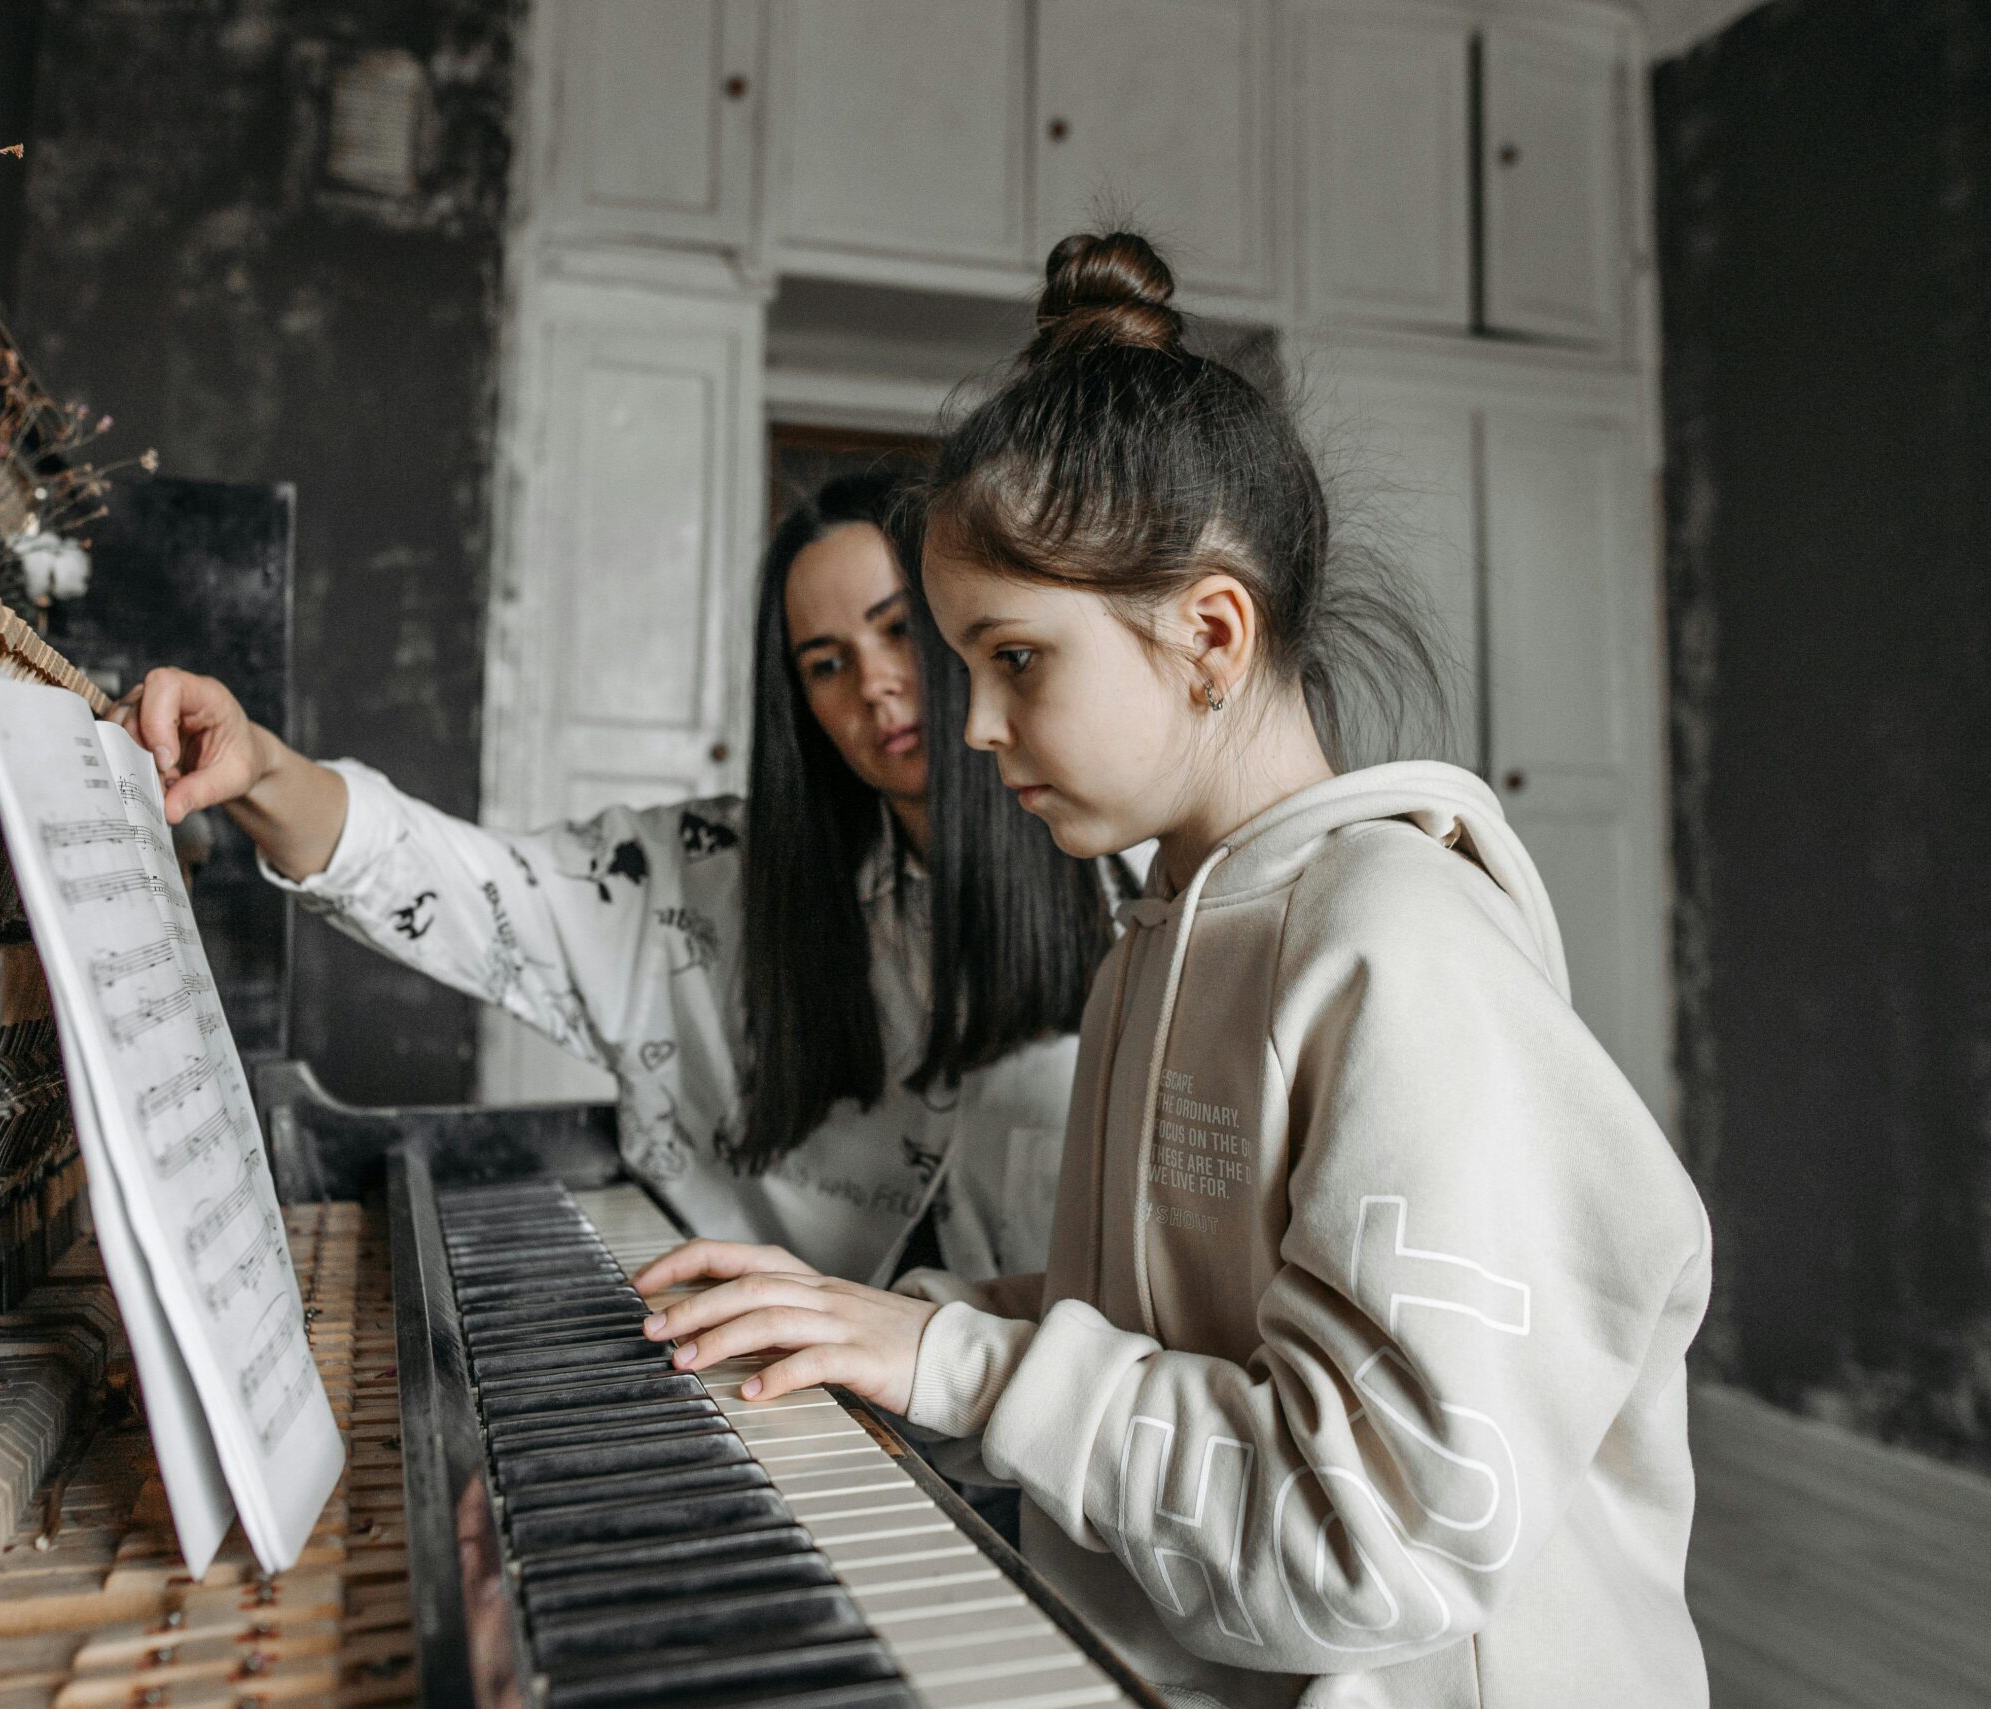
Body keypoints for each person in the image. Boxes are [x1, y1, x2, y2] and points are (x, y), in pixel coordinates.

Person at [634, 233, 1712, 1708]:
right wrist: (896, 1325)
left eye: (1014, 661)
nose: (972, 733)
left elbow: (1372, 1540)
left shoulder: (1403, 952)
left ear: (1209, 634)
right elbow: (1172, 1333)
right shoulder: (1161, 929)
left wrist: (958, 1367)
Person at [115, 472, 1116, 1287]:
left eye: (898, 629)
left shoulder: (1132, 878)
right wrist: (261, 767)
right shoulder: (709, 876)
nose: (874, 684)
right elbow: (463, 879)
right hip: (812, 1416)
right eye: (824, 663)